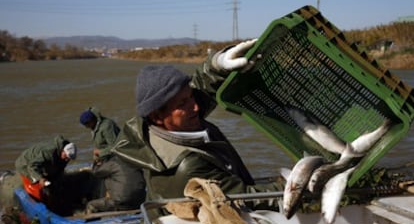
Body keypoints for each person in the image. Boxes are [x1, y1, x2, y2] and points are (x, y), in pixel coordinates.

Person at [112, 39, 286, 210]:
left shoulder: (168, 126)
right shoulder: (188, 165)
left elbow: (201, 88)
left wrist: (218, 65)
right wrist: (294, 187)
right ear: (157, 116)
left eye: (190, 97)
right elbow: (245, 199)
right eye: (182, 104)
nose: (195, 106)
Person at [80, 107, 146, 214]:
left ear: (91, 121)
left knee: (103, 180)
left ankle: (101, 207)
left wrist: (100, 153)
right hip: (108, 161)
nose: (87, 127)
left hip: (113, 161)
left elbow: (115, 146)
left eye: (87, 125)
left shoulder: (106, 126)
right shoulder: (96, 128)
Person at [15, 135, 77, 212]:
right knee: (37, 194)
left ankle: (52, 207)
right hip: (26, 165)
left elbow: (59, 171)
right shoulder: (48, 153)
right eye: (66, 156)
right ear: (63, 151)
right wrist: (40, 179)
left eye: (69, 159)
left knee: (55, 190)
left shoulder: (65, 158)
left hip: (42, 166)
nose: (67, 159)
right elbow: (32, 166)